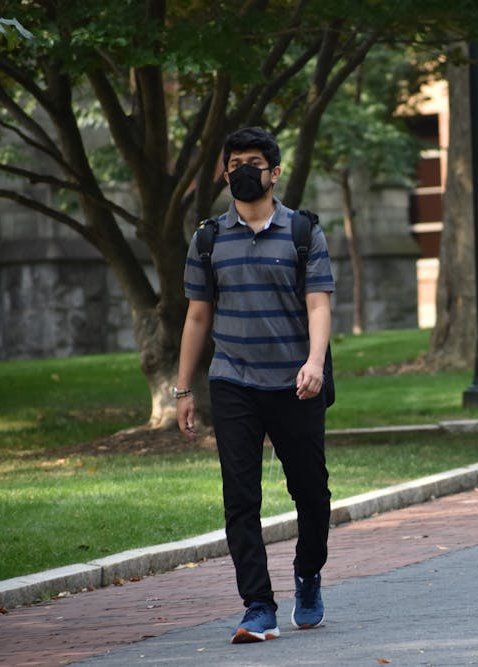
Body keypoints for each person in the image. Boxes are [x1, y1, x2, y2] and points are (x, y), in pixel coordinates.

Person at [175, 127, 334, 643]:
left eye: (253, 161)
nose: (243, 169)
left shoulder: (304, 232)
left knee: (311, 493)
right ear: (224, 172)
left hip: (296, 383)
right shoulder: (209, 238)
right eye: (235, 161)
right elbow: (197, 318)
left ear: (274, 172)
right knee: (240, 498)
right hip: (234, 381)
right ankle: (258, 606)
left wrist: (313, 362)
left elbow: (318, 303)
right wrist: (182, 390)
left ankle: (307, 574)